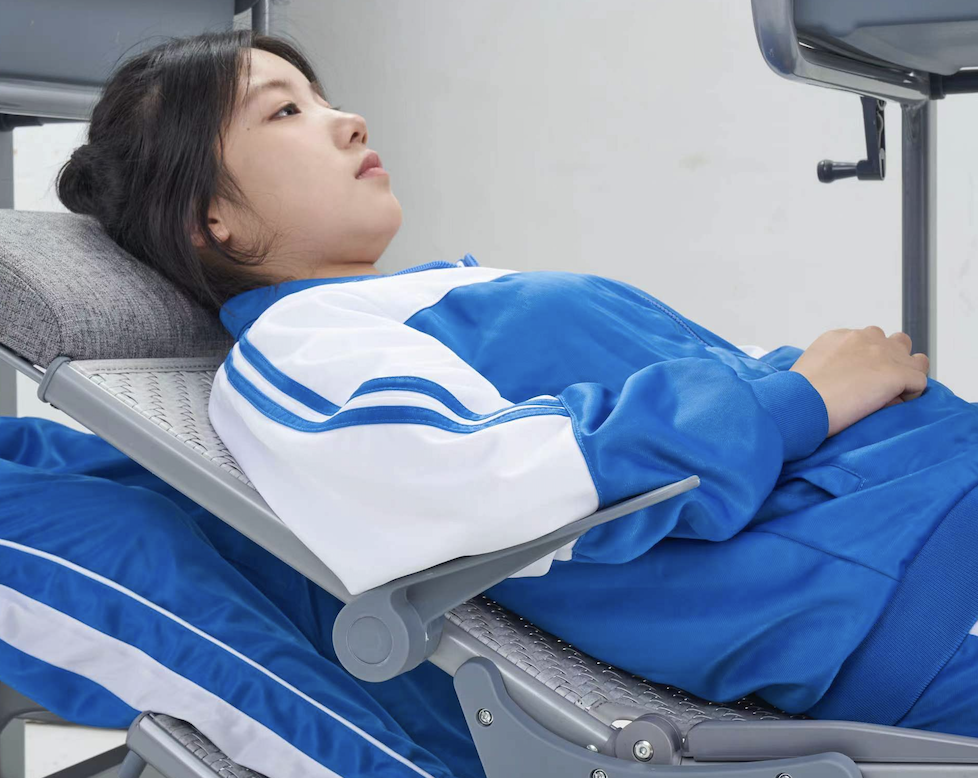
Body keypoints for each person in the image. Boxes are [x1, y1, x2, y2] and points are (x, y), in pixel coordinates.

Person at [46, 25, 978, 766]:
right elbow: (498, 479)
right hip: (896, 585)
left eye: (324, 98)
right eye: (286, 112)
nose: (350, 121)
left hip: (913, 526)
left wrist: (813, 381)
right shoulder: (298, 345)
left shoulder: (411, 301)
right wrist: (799, 394)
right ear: (210, 215)